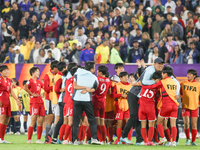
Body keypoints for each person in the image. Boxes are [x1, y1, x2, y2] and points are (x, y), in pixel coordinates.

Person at [143, 65, 180, 147]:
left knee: (159, 122)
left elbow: (152, 86)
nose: (162, 75)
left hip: (166, 105)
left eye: (163, 73)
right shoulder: (174, 82)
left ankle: (163, 138)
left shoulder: (163, 81)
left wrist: (142, 85)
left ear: (166, 73)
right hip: (175, 105)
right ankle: (173, 142)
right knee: (173, 124)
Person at [72, 61, 101, 145]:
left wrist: (86, 88)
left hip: (77, 99)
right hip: (87, 100)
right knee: (92, 120)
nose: (95, 70)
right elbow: (94, 88)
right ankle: (94, 139)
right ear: (92, 69)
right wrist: (88, 89)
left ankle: (75, 140)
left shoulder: (77, 73)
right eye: (94, 68)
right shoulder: (94, 77)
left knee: (76, 121)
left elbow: (75, 86)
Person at [138, 71, 162, 146]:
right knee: (151, 125)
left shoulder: (144, 84)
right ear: (157, 80)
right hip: (150, 107)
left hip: (141, 107)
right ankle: (150, 141)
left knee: (143, 125)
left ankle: (145, 141)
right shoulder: (157, 86)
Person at [0, 65, 21, 143]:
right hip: (1, 101)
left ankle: (2, 138)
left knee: (7, 120)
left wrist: (17, 99)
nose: (7, 72)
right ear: (1, 72)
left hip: (8, 101)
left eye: (7, 70)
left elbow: (11, 91)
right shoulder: (0, 80)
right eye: (5, 70)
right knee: (2, 119)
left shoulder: (9, 80)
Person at [24, 67, 45, 144]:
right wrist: (32, 94)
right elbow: (25, 87)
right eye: (37, 71)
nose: (38, 73)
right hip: (34, 102)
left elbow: (45, 87)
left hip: (41, 102)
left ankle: (38, 139)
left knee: (41, 120)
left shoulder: (39, 82)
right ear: (33, 73)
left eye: (39, 71)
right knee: (33, 120)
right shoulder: (30, 81)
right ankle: (29, 139)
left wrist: (43, 94)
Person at [112, 71, 133, 144]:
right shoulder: (117, 85)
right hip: (119, 106)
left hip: (128, 106)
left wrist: (127, 96)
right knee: (119, 123)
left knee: (129, 123)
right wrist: (120, 95)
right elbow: (113, 95)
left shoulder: (131, 85)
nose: (126, 78)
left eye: (127, 77)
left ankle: (128, 139)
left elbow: (133, 96)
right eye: (124, 77)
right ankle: (118, 140)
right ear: (120, 78)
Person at [181, 69, 200, 146]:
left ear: (194, 76)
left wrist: (199, 103)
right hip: (185, 106)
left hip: (195, 106)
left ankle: (193, 141)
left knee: (194, 124)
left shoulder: (198, 84)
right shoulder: (183, 83)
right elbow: (180, 94)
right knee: (186, 123)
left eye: (190, 74)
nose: (188, 75)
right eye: (187, 74)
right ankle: (188, 139)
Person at [93, 65, 111, 144]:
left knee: (97, 122)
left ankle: (99, 140)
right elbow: (109, 92)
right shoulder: (108, 80)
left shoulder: (96, 79)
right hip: (103, 103)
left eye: (97, 71)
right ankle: (104, 140)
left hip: (96, 102)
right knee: (102, 123)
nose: (96, 72)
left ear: (100, 72)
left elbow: (93, 90)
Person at [44, 60, 59, 143]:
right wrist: (54, 86)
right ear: (54, 68)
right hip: (49, 99)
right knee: (50, 118)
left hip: (56, 99)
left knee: (57, 118)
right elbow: (46, 88)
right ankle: (47, 138)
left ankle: (53, 136)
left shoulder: (58, 75)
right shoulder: (47, 75)